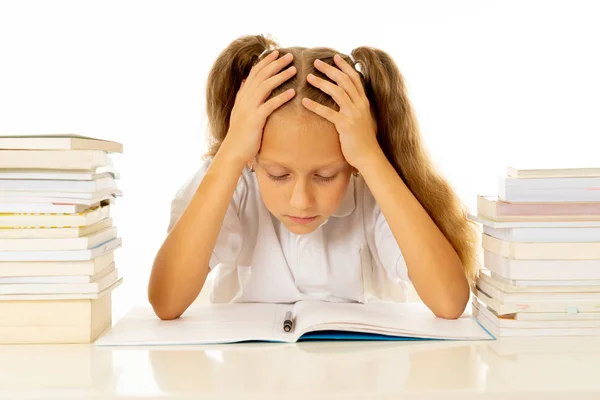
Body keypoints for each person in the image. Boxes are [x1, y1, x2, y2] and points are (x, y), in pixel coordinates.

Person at [148, 34, 478, 321]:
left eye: (325, 175)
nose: (301, 201)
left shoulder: (371, 184)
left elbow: (449, 303)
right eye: (278, 175)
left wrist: (371, 155)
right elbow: (166, 301)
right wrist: (231, 151)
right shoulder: (232, 177)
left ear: (352, 163)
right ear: (252, 158)